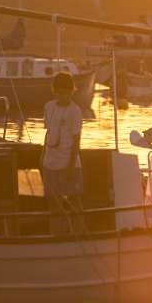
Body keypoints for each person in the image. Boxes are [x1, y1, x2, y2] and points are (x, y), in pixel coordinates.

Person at [42, 71, 85, 234]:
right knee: (54, 204)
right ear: (55, 91)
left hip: (69, 163)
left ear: (71, 92)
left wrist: (70, 167)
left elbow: (77, 141)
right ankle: (55, 236)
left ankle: (78, 234)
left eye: (66, 93)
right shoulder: (48, 107)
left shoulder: (75, 111)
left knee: (75, 201)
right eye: (60, 93)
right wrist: (42, 158)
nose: (63, 97)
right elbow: (48, 133)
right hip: (50, 163)